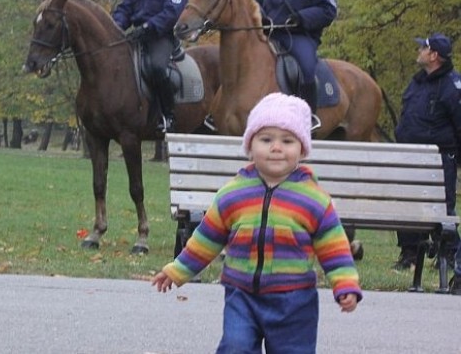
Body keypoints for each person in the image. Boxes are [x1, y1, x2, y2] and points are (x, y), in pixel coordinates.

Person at [152, 93, 362, 352]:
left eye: (287, 140)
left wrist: (345, 284)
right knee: (235, 347)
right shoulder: (233, 193)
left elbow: (335, 248)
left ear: (302, 148)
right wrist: (177, 270)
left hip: (294, 302)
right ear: (250, 146)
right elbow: (206, 239)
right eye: (266, 139)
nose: (276, 147)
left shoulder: (314, 199)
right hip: (242, 297)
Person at [393, 33, 461, 280]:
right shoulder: (418, 82)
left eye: (424, 47)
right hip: (410, 154)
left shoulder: (454, 86)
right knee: (406, 204)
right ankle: (409, 254)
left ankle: (450, 253)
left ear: (434, 56)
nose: (419, 50)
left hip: (440, 157)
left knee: (442, 207)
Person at [254, 0, 338, 130]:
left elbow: (328, 10)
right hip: (267, 34)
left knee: (307, 68)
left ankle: (309, 117)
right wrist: (260, 16)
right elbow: (255, 2)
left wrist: (301, 18)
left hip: (298, 37)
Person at [112, 0, 188, 133]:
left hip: (161, 36)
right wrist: (115, 27)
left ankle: (168, 115)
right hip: (136, 35)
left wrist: (148, 27)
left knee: (156, 67)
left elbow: (172, 12)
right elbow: (124, 9)